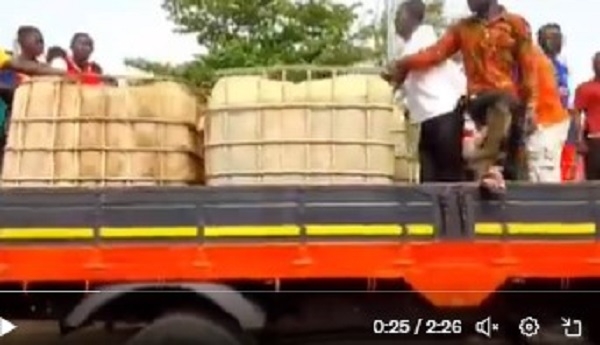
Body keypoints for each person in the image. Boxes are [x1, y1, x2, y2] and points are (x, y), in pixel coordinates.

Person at [387, 0, 537, 193]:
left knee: (505, 109)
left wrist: (531, 106)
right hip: (477, 100)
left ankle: (495, 170)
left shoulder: (515, 24)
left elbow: (528, 69)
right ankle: (486, 171)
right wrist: (403, 63)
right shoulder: (463, 28)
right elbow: (436, 54)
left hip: (505, 99)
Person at [393, 0, 466, 182]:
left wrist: (398, 68)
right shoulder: (409, 46)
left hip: (445, 114)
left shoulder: (424, 38)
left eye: (398, 17)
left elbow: (421, 60)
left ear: (408, 17)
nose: (395, 22)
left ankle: (455, 210)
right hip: (428, 118)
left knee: (447, 177)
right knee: (429, 178)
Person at [524, 46, 570, 182]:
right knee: (536, 169)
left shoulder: (531, 57)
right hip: (546, 122)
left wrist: (530, 111)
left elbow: (532, 89)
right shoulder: (536, 58)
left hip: (546, 123)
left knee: (543, 170)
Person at [574, 53, 600, 180]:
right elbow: (577, 115)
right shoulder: (584, 88)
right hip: (594, 140)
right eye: (597, 63)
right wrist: (579, 140)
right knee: (593, 180)